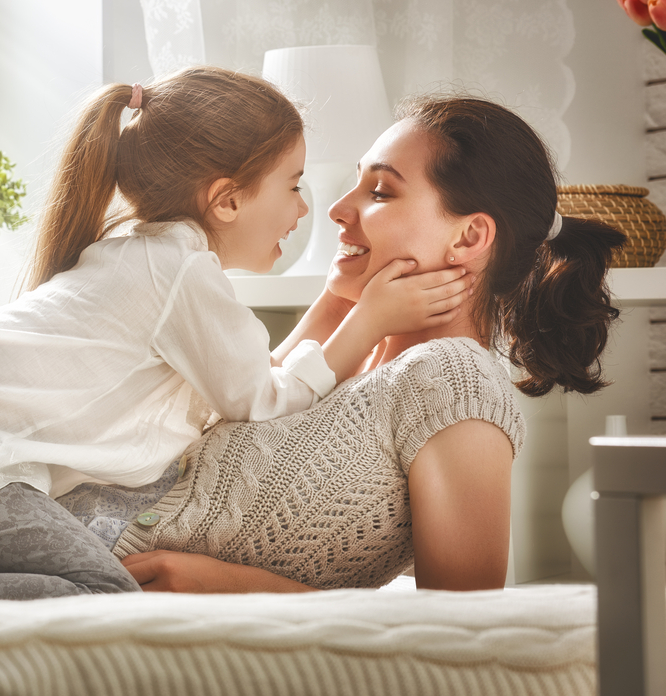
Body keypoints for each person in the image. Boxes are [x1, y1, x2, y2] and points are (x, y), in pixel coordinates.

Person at [0, 67, 470, 601]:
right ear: (226, 199)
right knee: (100, 594)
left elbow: (248, 387)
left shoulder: (149, 253)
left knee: (47, 571)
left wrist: (338, 302)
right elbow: (263, 401)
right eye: (291, 184)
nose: (305, 207)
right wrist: (369, 320)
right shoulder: (183, 276)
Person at [110, 94, 626, 594]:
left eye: (379, 192)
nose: (334, 209)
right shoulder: (352, 358)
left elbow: (462, 630)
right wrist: (340, 301)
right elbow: (257, 393)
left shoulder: (453, 379)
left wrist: (233, 588)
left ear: (468, 238)